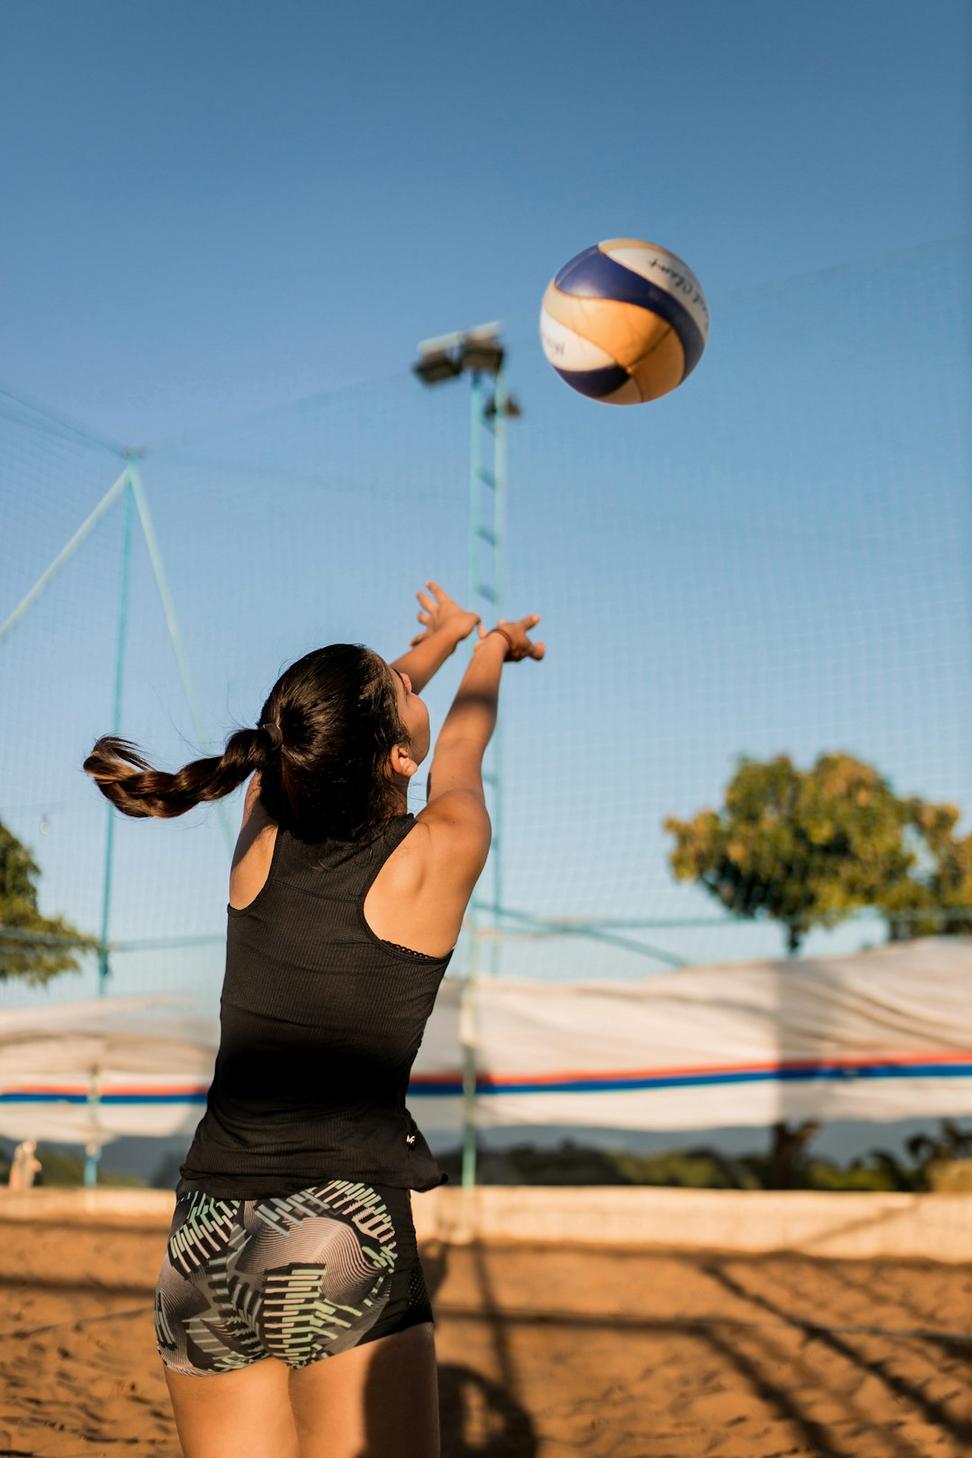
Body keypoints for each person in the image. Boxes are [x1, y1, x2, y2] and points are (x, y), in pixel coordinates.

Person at [83, 580, 544, 1458]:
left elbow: (327, 732)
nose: (417, 688)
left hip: (202, 1240)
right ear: (396, 758)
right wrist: (488, 650)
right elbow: (463, 741)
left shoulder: (257, 830)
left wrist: (435, 644)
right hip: (341, 1229)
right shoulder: (440, 850)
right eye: (406, 689)